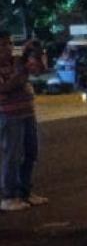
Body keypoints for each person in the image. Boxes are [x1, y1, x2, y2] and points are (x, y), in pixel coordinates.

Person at [0, 31, 46, 212]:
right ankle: (8, 196)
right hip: (10, 116)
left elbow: (39, 70)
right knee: (13, 155)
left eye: (9, 44)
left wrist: (34, 53)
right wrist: (21, 75)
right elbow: (5, 87)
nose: (8, 48)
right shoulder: (17, 67)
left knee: (31, 153)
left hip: (28, 112)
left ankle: (25, 192)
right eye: (2, 45)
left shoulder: (18, 61)